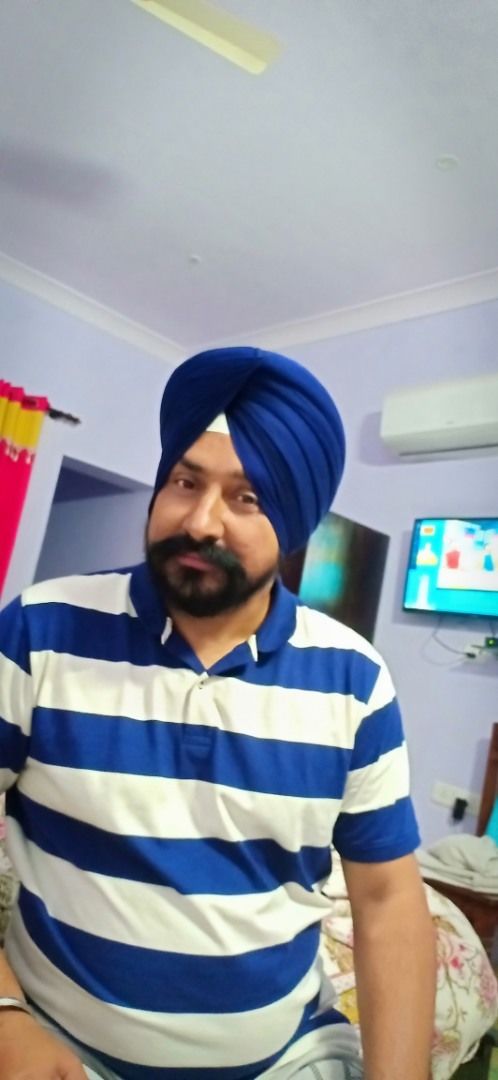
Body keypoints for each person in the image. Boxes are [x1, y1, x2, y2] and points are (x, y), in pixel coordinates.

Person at [0, 347, 435, 1080]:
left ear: (292, 524)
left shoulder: (354, 681)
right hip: (53, 1042)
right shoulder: (40, 629)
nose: (200, 521)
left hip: (286, 1059)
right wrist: (5, 1013)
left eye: (247, 498)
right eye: (184, 481)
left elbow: (388, 898)